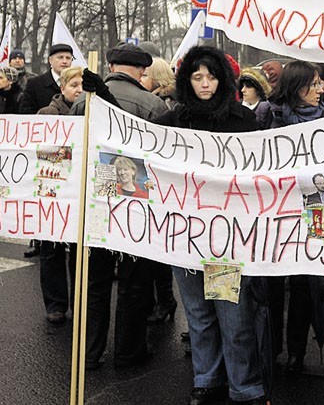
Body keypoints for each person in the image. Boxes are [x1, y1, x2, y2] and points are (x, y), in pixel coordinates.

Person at [153, 45, 270, 405]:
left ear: (223, 78)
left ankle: (244, 384)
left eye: (212, 76)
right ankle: (206, 378)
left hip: (225, 238)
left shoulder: (242, 120)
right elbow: (132, 139)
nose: (205, 83)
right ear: (187, 80)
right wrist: (102, 98)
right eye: (197, 76)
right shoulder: (175, 120)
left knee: (232, 316)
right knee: (199, 315)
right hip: (185, 236)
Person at [79, 42, 167, 369]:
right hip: (138, 205)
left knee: (96, 281)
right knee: (134, 283)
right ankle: (129, 351)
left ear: (111, 64)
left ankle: (89, 352)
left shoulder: (82, 100)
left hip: (95, 202)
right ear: (142, 70)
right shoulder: (153, 104)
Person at [255, 60, 324, 373]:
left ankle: (297, 352)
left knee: (304, 287)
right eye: (313, 84)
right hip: (272, 214)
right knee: (271, 288)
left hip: (309, 213)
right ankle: (271, 350)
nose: (320, 89)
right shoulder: (265, 115)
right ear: (297, 86)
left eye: (319, 84)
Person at [33, 65, 83, 325]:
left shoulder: (92, 113)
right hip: (53, 191)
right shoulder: (48, 113)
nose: (79, 90)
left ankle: (78, 301)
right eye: (74, 85)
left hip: (80, 194)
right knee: (51, 250)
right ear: (62, 88)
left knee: (78, 252)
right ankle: (55, 304)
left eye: (83, 85)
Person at [19, 44, 74, 257]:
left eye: (68, 57)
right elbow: (25, 112)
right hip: (44, 149)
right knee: (42, 196)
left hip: (68, 150)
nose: (65, 61)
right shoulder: (36, 84)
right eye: (60, 57)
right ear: (50, 60)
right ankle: (38, 239)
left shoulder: (76, 83)